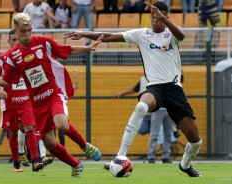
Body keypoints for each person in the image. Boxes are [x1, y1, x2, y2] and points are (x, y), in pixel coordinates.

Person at [63, 1, 203, 177]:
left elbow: (181, 36)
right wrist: (83, 33)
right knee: (142, 106)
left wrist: (164, 19)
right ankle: (120, 155)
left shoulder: (172, 33)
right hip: (155, 88)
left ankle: (185, 164)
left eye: (158, 17)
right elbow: (107, 36)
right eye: (152, 17)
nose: (154, 21)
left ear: (165, 17)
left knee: (196, 141)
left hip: (174, 89)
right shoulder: (141, 34)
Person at [0, 13, 103, 178]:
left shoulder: (43, 42)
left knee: (62, 124)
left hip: (53, 94)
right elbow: (7, 81)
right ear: (15, 31)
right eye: (23, 31)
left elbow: (66, 50)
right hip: (36, 103)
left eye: (29, 30)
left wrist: (88, 48)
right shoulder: (13, 56)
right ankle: (75, 164)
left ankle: (85, 146)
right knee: (50, 143)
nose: (27, 35)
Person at [0, 30, 44, 172]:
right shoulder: (2, 59)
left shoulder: (28, 58)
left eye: (17, 39)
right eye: (13, 39)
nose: (16, 42)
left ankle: (36, 161)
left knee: (30, 128)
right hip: (9, 101)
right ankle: (16, 164)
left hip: (26, 100)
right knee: (12, 132)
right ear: (9, 41)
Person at [115, 76, 175, 164]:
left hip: (169, 108)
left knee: (168, 134)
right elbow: (134, 89)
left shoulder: (169, 77)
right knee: (152, 133)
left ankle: (166, 156)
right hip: (156, 109)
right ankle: (151, 156)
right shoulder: (144, 79)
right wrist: (121, 94)